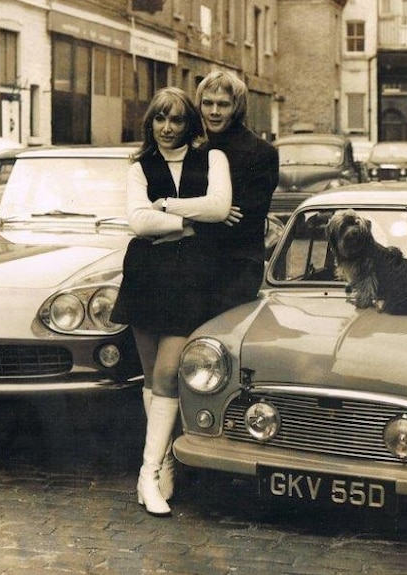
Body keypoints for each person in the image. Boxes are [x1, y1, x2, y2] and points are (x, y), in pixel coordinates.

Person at [110, 87, 232, 517]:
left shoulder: (212, 158)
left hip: (190, 279)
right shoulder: (139, 166)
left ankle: (145, 473)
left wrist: (168, 207)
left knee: (167, 373)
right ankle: (163, 466)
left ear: (188, 124)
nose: (167, 127)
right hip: (146, 275)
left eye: (176, 119)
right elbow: (138, 221)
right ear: (151, 123)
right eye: (160, 118)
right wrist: (185, 223)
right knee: (150, 378)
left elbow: (220, 207)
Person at [194, 71, 280, 316]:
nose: (214, 111)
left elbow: (246, 218)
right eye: (208, 103)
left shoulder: (262, 153)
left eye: (223, 104)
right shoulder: (198, 152)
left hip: (237, 270)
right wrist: (215, 211)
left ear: (237, 108)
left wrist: (199, 212)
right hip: (198, 268)